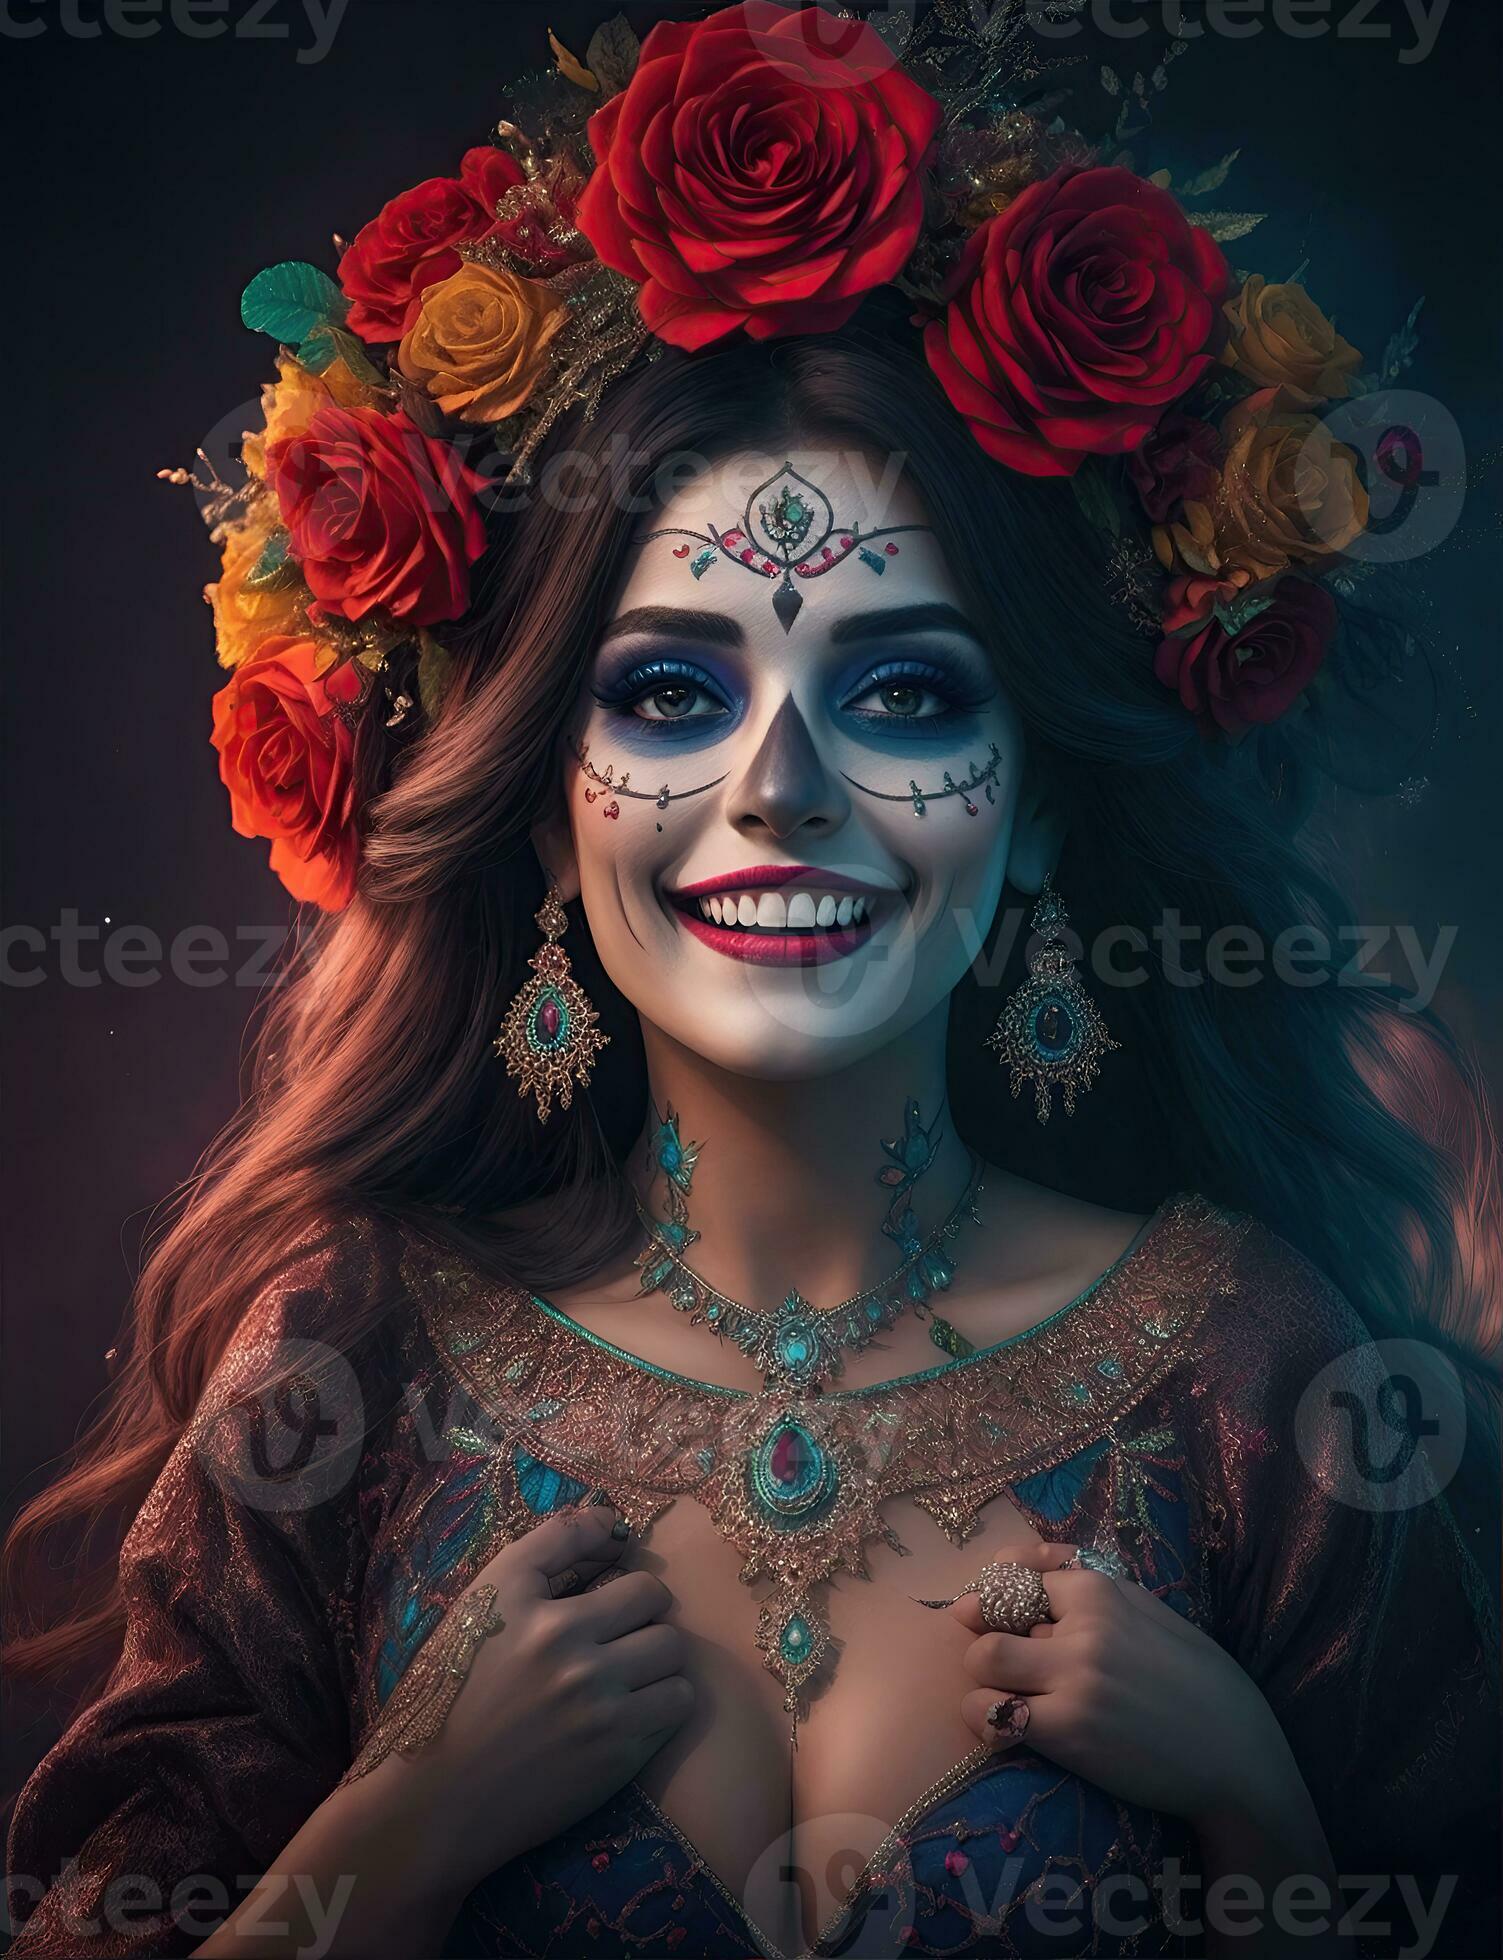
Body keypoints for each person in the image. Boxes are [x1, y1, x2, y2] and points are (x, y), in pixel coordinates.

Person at [4, 7, 1498, 1957]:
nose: (777, 787)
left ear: (1033, 810)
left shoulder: (1249, 1376)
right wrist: (395, 1825)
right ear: (546, 813)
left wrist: (1249, 1799)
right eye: (669, 691)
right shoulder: (350, 1358)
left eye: (897, 691)